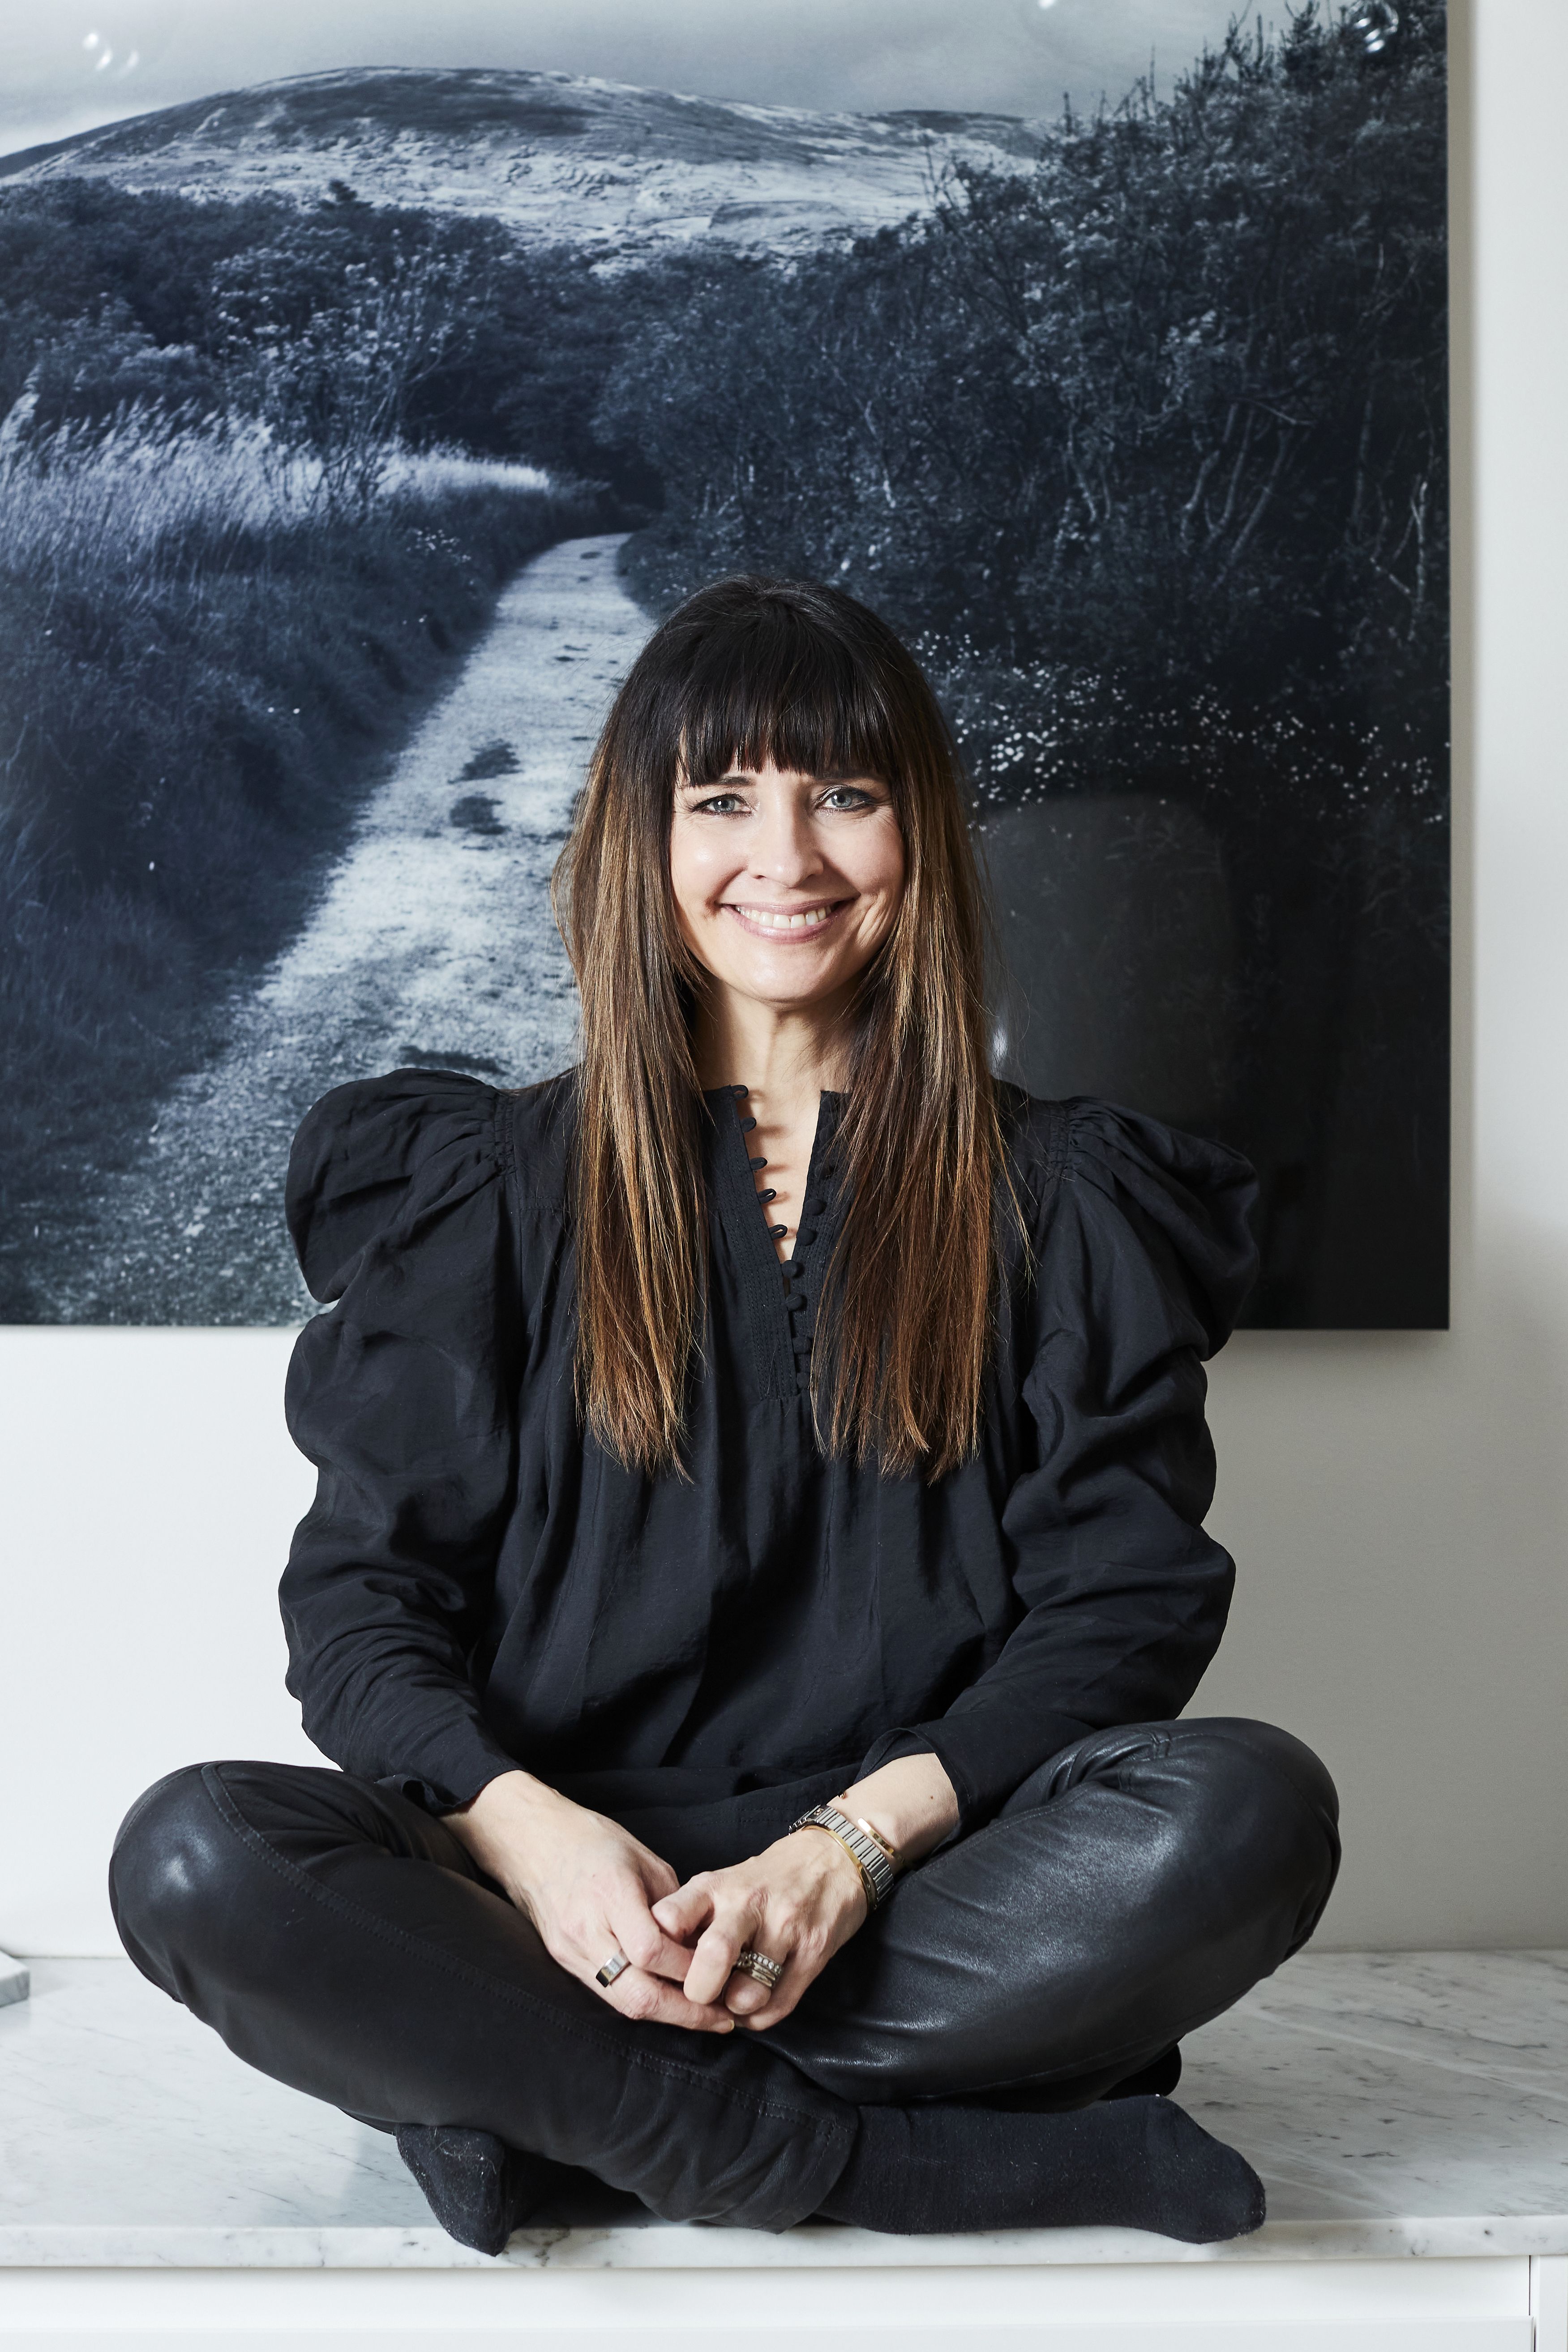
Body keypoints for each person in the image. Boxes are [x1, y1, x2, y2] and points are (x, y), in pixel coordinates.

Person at [109, 577, 1339, 2254]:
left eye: (845, 793)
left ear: (919, 832)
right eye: (724, 800)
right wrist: (534, 1846)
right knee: (195, 1854)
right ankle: (908, 2163)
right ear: (646, 838)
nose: (789, 856)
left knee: (1253, 1809)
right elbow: (365, 1609)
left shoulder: (1061, 1197)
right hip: (545, 1900)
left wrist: (846, 1852)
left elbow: (1119, 1611)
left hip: (909, 1886)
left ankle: (549, 2111)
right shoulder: (482, 1187)